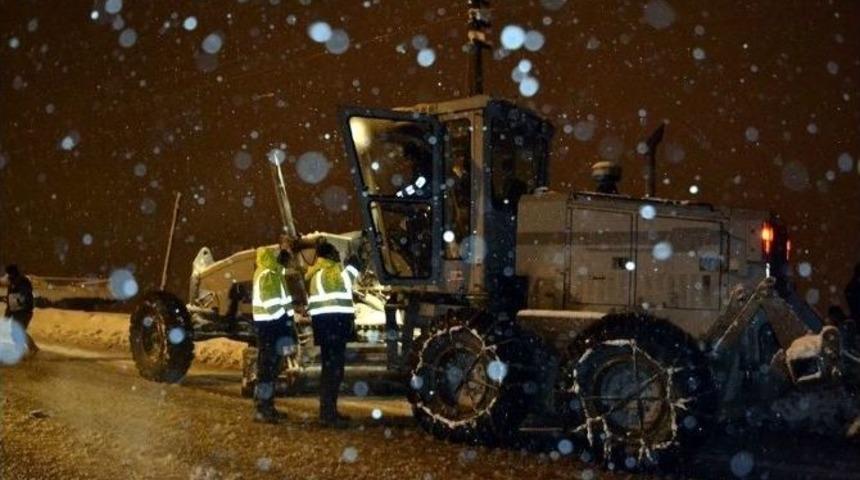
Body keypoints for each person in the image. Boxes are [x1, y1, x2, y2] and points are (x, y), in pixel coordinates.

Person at [306, 242, 358, 428]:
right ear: (328, 255)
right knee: (333, 371)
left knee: (331, 370)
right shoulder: (329, 272)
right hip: (334, 326)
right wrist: (353, 265)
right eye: (336, 252)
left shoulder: (317, 273)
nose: (338, 255)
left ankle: (329, 411)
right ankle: (328, 414)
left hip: (326, 327)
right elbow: (345, 282)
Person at [251, 247, 298, 424]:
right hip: (271, 327)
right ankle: (263, 408)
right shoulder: (268, 275)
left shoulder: (272, 273)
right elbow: (273, 305)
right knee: (267, 369)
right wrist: (286, 322)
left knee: (270, 369)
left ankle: (266, 407)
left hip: (270, 327)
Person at [1, 265, 37, 356]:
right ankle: (31, 348)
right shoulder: (13, 281)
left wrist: (11, 300)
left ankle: (28, 349)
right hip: (16, 310)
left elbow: (23, 296)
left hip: (24, 311)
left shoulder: (22, 281)